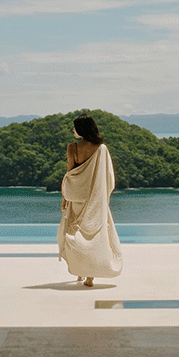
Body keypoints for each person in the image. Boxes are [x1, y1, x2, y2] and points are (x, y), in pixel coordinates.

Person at [57, 114, 123, 287]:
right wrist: (102, 197)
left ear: (81, 129)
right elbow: (108, 177)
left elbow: (70, 174)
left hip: (76, 198)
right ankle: (89, 277)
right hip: (94, 199)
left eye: (74, 127)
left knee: (73, 235)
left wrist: (64, 198)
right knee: (93, 236)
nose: (72, 130)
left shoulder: (72, 147)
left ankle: (80, 269)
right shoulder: (101, 149)